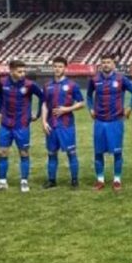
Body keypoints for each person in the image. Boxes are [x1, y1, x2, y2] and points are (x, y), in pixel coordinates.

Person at [86, 53, 132, 191]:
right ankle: (100, 180)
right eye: (103, 62)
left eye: (108, 62)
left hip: (116, 121)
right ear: (100, 64)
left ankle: (117, 180)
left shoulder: (121, 79)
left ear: (113, 64)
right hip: (99, 121)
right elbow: (88, 96)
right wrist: (90, 108)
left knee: (117, 152)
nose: (106, 64)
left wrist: (129, 108)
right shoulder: (94, 79)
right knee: (98, 152)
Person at [0, 60, 44, 193]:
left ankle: (24, 181)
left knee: (24, 153)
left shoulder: (30, 85)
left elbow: (43, 97)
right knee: (2, 152)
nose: (23, 74)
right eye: (19, 71)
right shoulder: (2, 82)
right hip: (5, 124)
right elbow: (0, 97)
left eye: (24, 71)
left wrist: (37, 114)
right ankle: (2, 183)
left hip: (22, 125)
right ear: (11, 71)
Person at [41, 56, 85, 189]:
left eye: (60, 66)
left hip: (66, 125)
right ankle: (52, 180)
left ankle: (74, 180)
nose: (57, 69)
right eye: (55, 66)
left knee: (71, 153)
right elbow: (44, 104)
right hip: (51, 125)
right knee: (51, 154)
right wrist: (43, 122)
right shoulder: (47, 85)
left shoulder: (72, 85)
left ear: (65, 68)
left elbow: (81, 103)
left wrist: (67, 109)